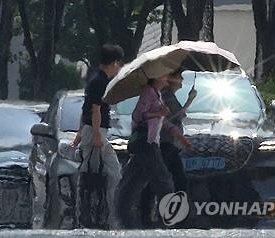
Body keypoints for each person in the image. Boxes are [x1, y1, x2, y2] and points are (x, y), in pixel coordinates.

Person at [116, 65, 192, 229]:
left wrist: (180, 137)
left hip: (151, 144)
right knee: (163, 181)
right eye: (164, 75)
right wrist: (158, 113)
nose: (167, 77)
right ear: (157, 78)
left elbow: (163, 122)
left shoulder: (157, 95)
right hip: (146, 144)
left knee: (133, 182)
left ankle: (121, 215)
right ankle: (168, 220)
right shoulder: (149, 93)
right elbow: (138, 115)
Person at [72, 44, 124, 228]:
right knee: (104, 171)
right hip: (96, 131)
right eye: (119, 64)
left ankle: (95, 211)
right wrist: (96, 135)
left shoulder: (95, 79)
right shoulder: (100, 82)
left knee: (94, 170)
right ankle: (102, 213)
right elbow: (95, 110)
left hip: (91, 130)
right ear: (114, 62)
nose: (119, 68)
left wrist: (80, 132)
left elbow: (84, 109)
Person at [139, 69, 197, 228]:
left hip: (170, 145)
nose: (182, 81)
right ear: (170, 79)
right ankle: (153, 212)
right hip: (166, 144)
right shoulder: (166, 95)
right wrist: (190, 100)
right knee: (170, 179)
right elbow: (175, 116)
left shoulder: (167, 94)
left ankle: (175, 213)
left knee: (172, 179)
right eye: (179, 78)